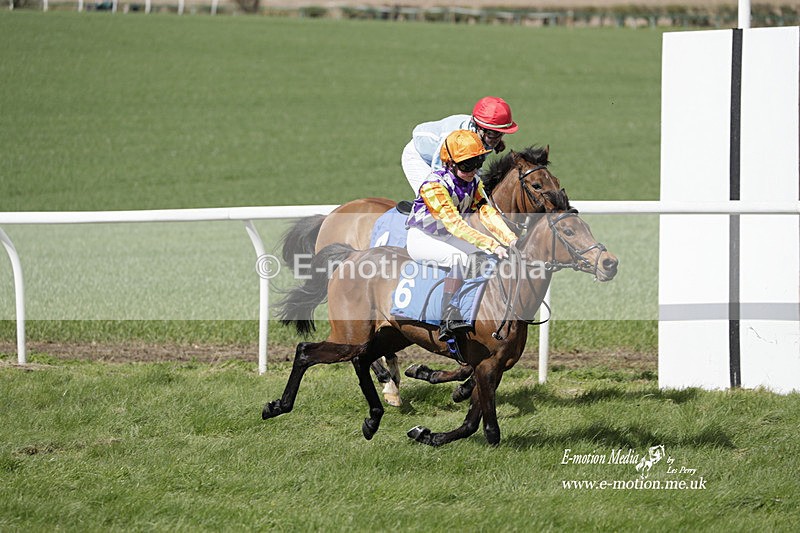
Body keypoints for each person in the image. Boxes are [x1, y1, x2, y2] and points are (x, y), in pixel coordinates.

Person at [406, 129, 518, 341]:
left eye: (478, 162)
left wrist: (510, 239)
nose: (473, 170)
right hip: (422, 237)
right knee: (460, 258)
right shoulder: (434, 187)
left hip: (445, 236)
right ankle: (448, 317)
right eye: (467, 165)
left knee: (486, 258)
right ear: (450, 163)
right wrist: (491, 244)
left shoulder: (474, 182)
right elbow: (455, 224)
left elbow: (486, 212)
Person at [401, 96, 519, 195]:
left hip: (449, 160)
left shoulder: (485, 136)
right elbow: (438, 171)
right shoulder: (454, 138)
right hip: (420, 158)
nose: (496, 139)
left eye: (501, 134)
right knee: (436, 198)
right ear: (477, 127)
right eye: (492, 133)